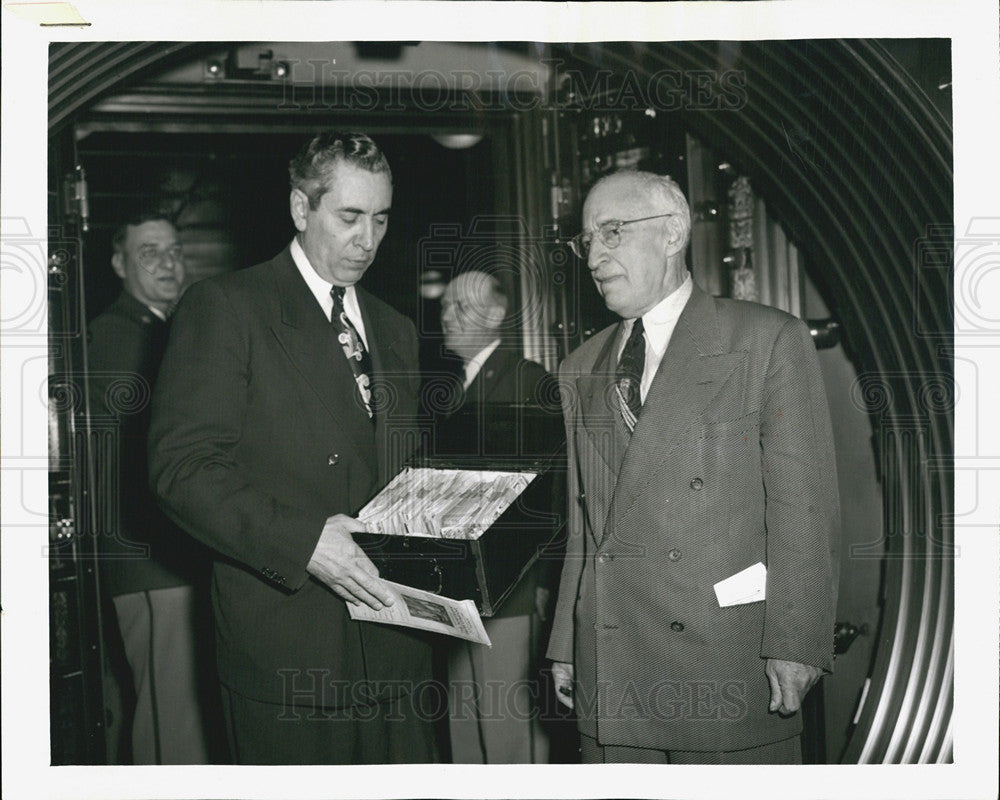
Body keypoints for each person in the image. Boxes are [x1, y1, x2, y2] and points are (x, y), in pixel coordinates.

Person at [148, 132, 437, 764]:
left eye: (381, 219)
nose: (368, 239)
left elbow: (397, 475)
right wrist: (304, 541)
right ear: (301, 210)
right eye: (350, 217)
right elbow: (183, 470)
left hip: (399, 649)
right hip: (288, 648)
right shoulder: (226, 308)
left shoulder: (396, 328)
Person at [547, 170, 840, 764]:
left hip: (725, 659)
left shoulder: (765, 341)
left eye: (612, 233)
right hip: (614, 658)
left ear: (675, 231)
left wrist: (800, 641)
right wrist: (566, 645)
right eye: (587, 241)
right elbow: (586, 525)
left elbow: (803, 508)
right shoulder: (579, 368)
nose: (594, 257)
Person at [87, 210, 216, 764]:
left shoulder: (163, 331)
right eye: (149, 252)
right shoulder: (118, 337)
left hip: (169, 557)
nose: (167, 262)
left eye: (174, 250)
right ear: (119, 264)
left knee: (180, 713)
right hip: (151, 558)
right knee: (172, 725)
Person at [437, 270, 558, 763]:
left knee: (508, 739)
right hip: (459, 592)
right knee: (467, 732)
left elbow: (551, 497)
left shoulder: (529, 382)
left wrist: (548, 580)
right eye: (444, 306)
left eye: (460, 307)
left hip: (511, 590)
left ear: (496, 315)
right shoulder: (451, 390)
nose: (446, 316)